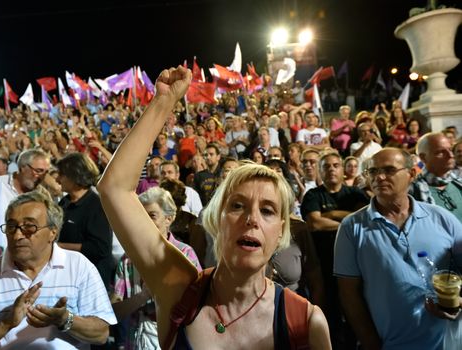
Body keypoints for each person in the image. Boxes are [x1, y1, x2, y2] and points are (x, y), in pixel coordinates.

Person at [97, 66, 331, 349]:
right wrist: (164, 102)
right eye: (237, 206)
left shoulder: (306, 322)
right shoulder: (180, 289)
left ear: (281, 228)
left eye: (267, 210)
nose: (251, 219)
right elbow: (114, 189)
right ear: (218, 219)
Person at [0, 190, 117, 349]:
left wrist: (64, 320)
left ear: (52, 233)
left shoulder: (78, 266)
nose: (17, 235)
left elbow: (101, 334)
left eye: (29, 227)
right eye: (11, 227)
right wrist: (5, 323)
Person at [334, 148, 462, 349]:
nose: (380, 177)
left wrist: (459, 301)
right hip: (393, 344)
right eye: (373, 171)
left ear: (411, 174)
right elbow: (349, 295)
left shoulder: (442, 219)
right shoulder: (352, 227)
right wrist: (371, 344)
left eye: (389, 170)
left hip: (449, 342)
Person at [111, 187, 201, 349]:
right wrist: (143, 296)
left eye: (152, 215)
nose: (145, 222)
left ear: (169, 218)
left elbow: (200, 304)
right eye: (141, 216)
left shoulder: (185, 255)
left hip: (176, 341)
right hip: (136, 341)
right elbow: (114, 313)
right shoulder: (127, 260)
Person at [301, 151, 369, 348]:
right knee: (331, 317)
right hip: (325, 265)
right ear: (320, 171)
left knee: (357, 314)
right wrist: (349, 220)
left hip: (358, 264)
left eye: (335, 165)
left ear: (342, 169)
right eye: (326, 166)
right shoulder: (313, 195)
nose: (331, 169)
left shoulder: (356, 193)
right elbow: (315, 223)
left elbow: (366, 219)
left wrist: (332, 213)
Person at [56, 152, 114, 289]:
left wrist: (58, 247)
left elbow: (100, 248)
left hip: (91, 284)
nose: (58, 179)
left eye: (62, 175)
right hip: (68, 278)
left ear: (75, 176)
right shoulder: (64, 203)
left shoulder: (96, 206)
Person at [410, 132, 462, 222]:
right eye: (440, 152)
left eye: (450, 149)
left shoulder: (458, 184)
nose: (450, 155)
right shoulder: (413, 191)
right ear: (423, 158)